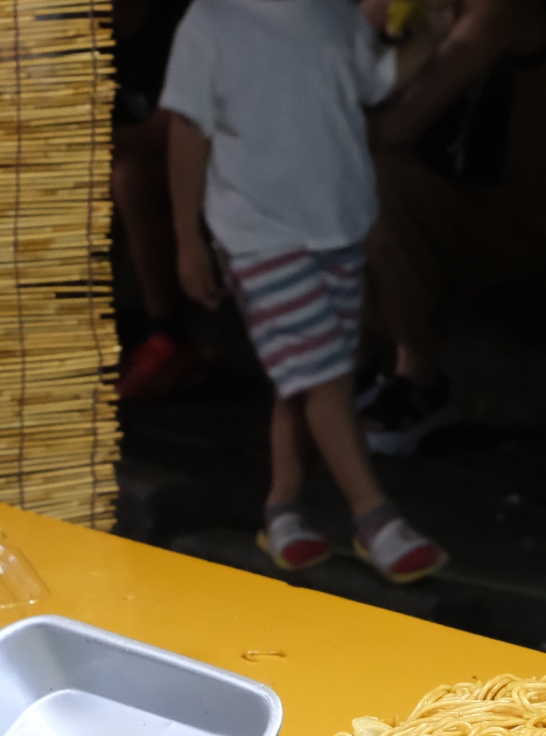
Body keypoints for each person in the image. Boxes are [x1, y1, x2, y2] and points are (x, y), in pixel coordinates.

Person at [163, 0, 449, 582]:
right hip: (257, 234)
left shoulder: (337, 14)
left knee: (306, 378)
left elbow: (372, 84)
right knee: (321, 375)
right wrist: (187, 237)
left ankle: (284, 509)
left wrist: (432, 36)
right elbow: (187, 131)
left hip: (339, 226)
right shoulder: (211, 21)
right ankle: (375, 516)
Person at [354, 0, 546, 456]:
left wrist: (311, 129)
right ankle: (358, 363)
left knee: (372, 183)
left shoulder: (499, 10)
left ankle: (417, 380)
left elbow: (404, 122)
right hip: (454, 186)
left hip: (521, 209)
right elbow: (342, 44)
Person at [112, 0, 200, 403]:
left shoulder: (184, 20)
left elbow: (173, 127)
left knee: (131, 177)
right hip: (135, 153)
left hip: (216, 157)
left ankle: (168, 335)